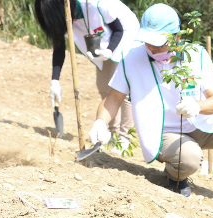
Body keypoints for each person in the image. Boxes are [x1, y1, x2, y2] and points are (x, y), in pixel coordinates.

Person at [89, 3, 213, 197]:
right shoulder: (131, 58)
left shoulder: (196, 55)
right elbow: (113, 99)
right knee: (190, 158)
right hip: (165, 133)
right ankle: (175, 177)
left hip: (202, 124)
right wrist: (100, 122)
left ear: (177, 37)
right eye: (148, 41)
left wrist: (196, 107)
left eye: (159, 43)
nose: (152, 48)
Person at [35, 0, 138, 148]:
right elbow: (59, 48)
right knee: (104, 86)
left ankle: (125, 138)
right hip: (102, 44)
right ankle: (112, 133)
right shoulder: (61, 19)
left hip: (125, 35)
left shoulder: (97, 5)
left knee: (121, 88)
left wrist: (109, 50)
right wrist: (55, 80)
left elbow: (119, 30)